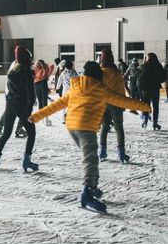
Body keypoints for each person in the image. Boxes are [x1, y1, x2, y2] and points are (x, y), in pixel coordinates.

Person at [29, 61, 150, 212]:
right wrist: (145, 107)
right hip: (86, 128)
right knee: (91, 161)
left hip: (72, 126)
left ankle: (93, 187)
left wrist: (36, 116)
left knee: (90, 158)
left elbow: (57, 105)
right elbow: (123, 101)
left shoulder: (75, 87)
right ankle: (86, 194)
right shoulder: (101, 89)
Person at [0, 46, 37, 172]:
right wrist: (29, 108)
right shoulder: (26, 72)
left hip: (10, 104)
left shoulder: (13, 71)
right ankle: (27, 160)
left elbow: (7, 90)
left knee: (6, 133)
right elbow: (30, 93)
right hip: (21, 105)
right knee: (31, 133)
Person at [97, 48, 130, 163]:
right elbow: (121, 88)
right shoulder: (117, 72)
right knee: (119, 128)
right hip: (116, 103)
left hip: (103, 102)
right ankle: (121, 154)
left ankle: (102, 152)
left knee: (105, 127)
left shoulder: (99, 72)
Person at [138, 52, 167, 130]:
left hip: (145, 90)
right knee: (155, 106)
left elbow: (139, 79)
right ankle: (155, 123)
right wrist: (157, 80)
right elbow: (164, 77)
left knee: (146, 105)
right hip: (155, 88)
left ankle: (145, 120)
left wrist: (140, 88)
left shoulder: (143, 66)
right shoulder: (158, 66)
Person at [55, 59, 78, 123]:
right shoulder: (74, 72)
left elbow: (59, 80)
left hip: (65, 90)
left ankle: (64, 119)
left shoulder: (63, 73)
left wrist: (57, 87)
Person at [33, 59, 52, 125]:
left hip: (36, 85)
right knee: (44, 102)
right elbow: (51, 65)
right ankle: (45, 119)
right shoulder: (44, 68)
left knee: (41, 102)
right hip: (42, 84)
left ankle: (43, 119)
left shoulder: (36, 69)